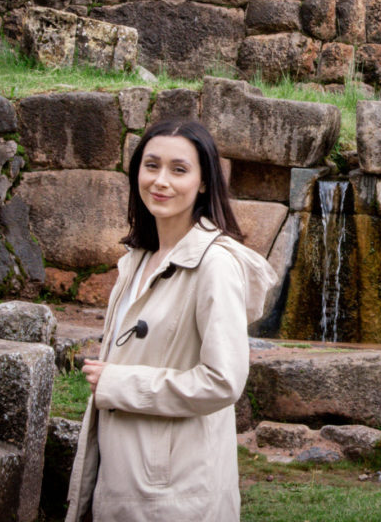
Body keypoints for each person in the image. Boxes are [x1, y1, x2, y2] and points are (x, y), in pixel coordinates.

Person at [65, 119, 276, 522]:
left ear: (202, 182)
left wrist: (119, 383)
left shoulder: (215, 265)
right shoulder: (138, 260)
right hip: (122, 474)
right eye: (151, 166)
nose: (161, 181)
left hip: (173, 490)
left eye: (179, 170)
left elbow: (224, 380)